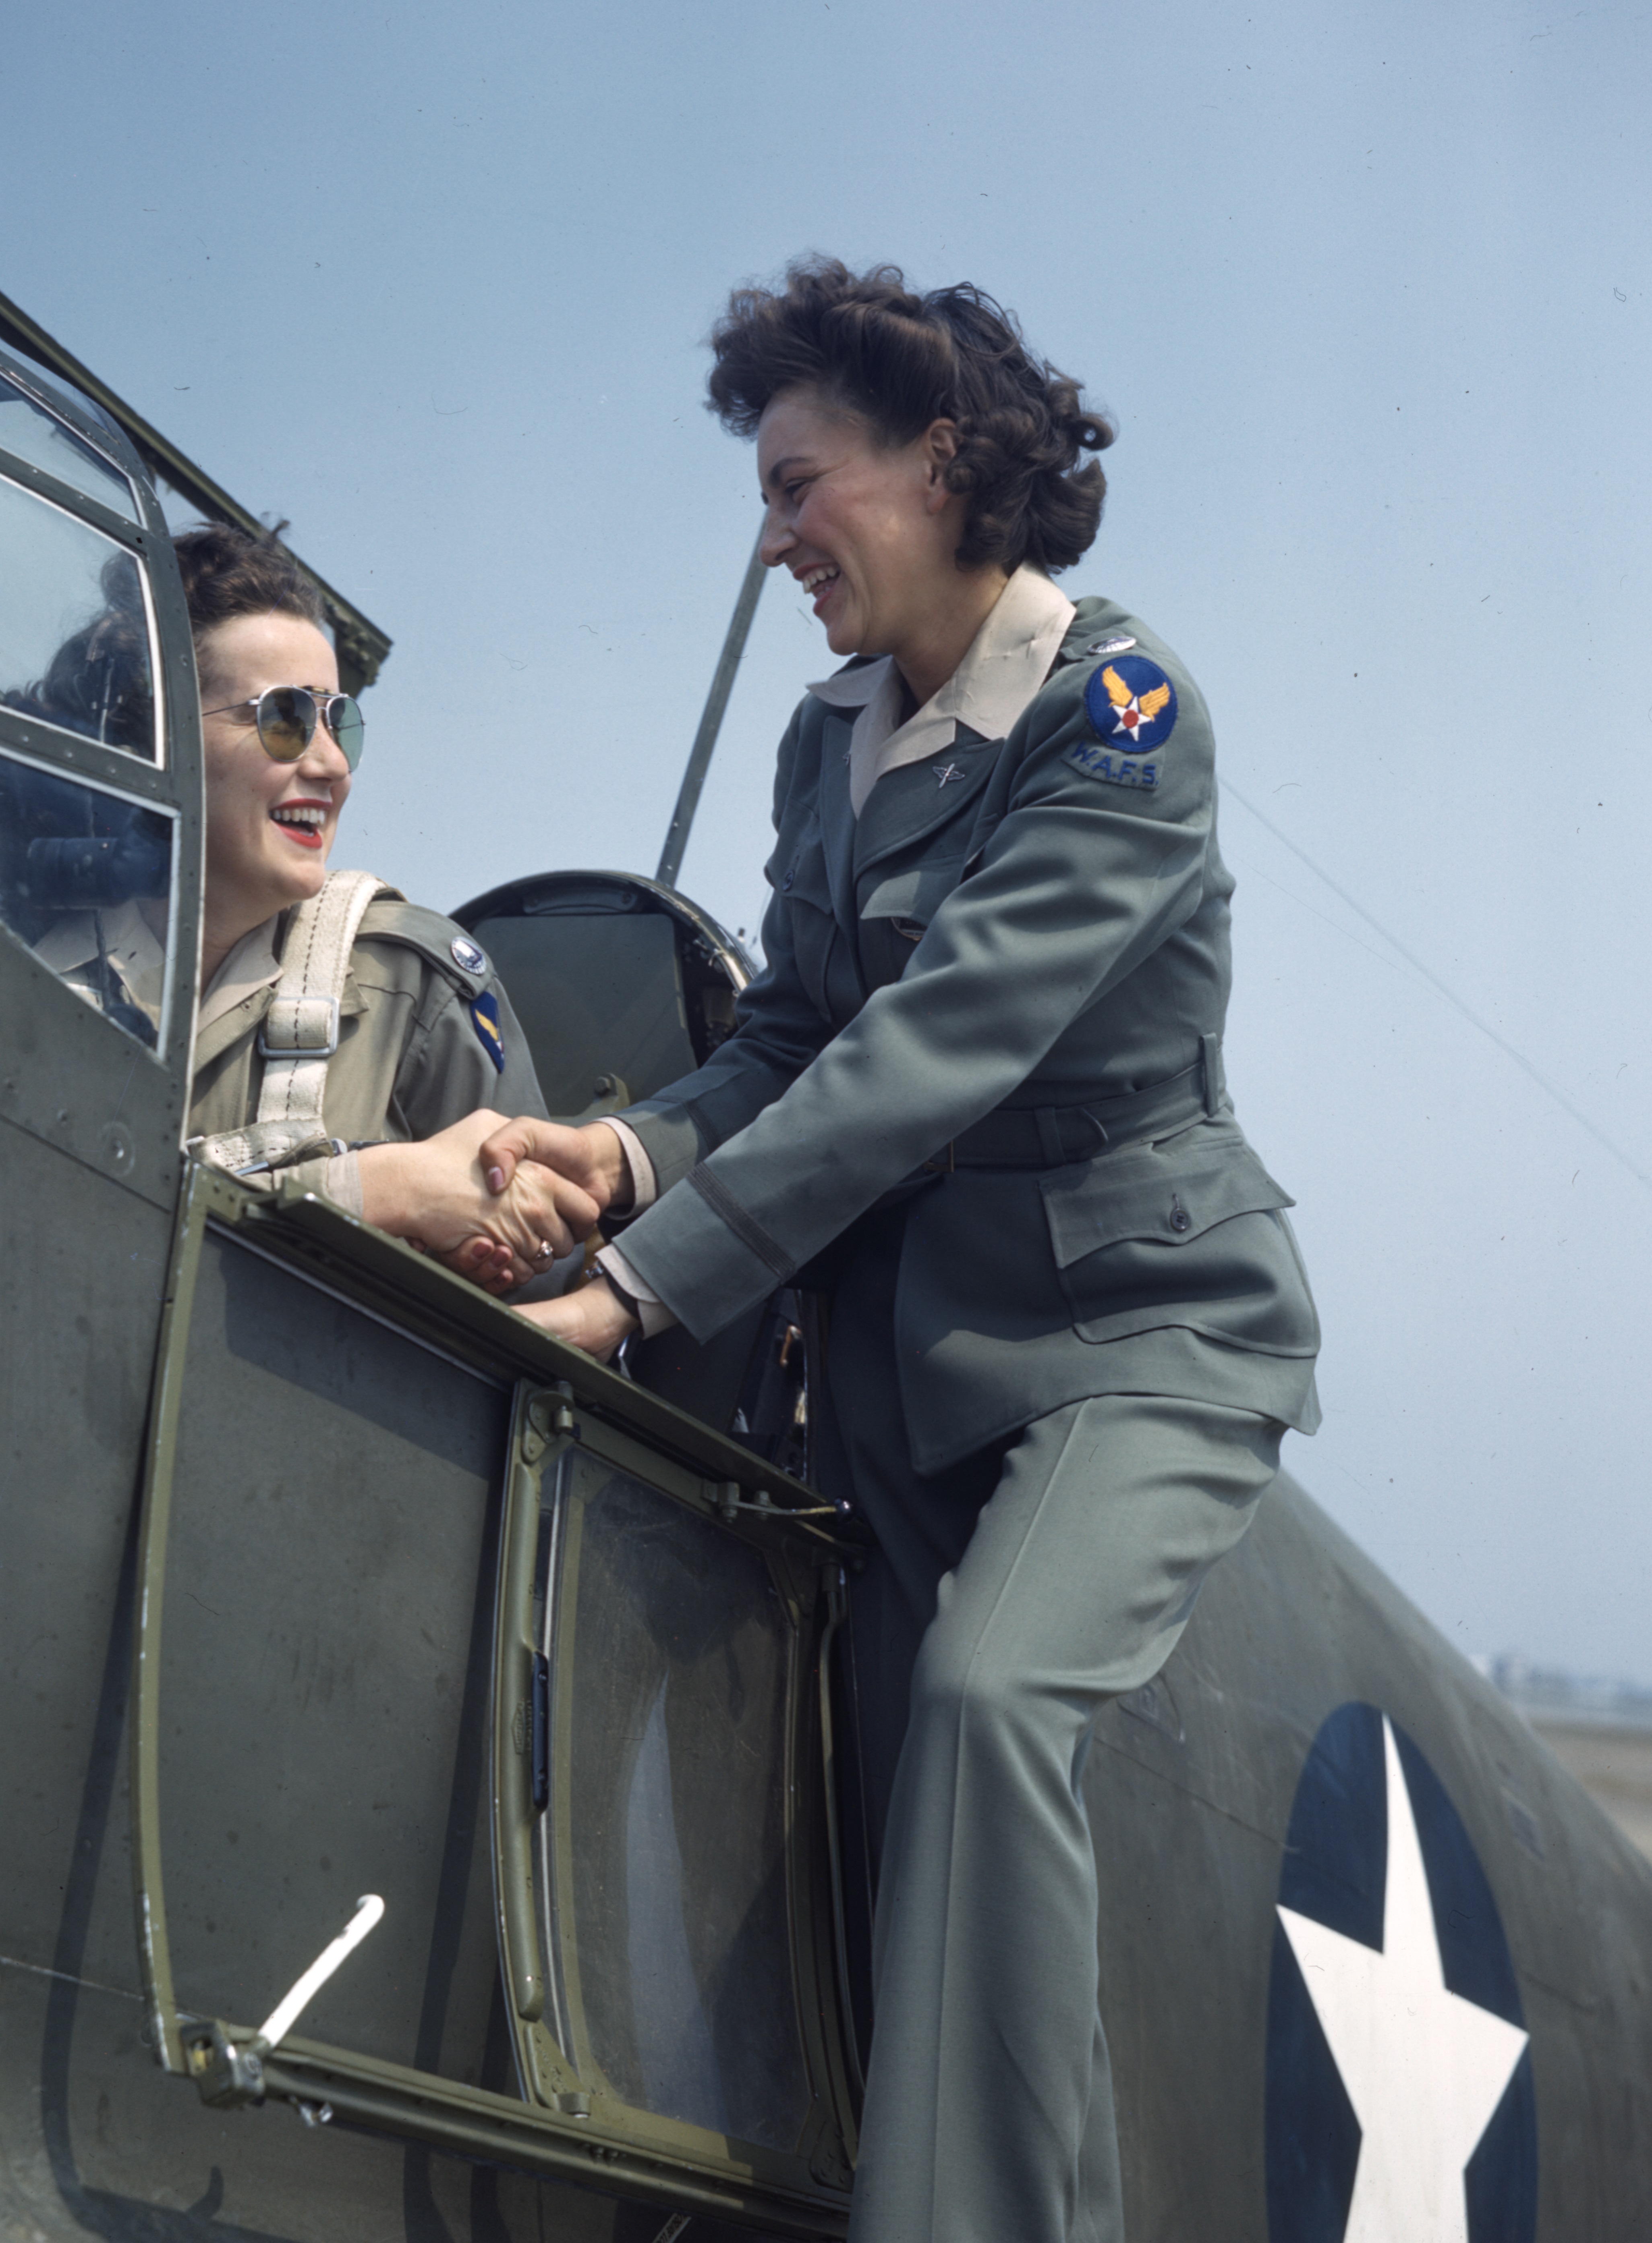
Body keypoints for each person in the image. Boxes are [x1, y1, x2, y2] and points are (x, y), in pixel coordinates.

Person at [484, 261, 1322, 2243]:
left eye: (797, 485)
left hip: (1141, 1330)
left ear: (939, 461)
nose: (770, 537)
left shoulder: (1120, 711)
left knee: (988, 1700)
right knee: (877, 1805)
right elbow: (786, 1035)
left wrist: (643, 1281)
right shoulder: (827, 744)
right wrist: (609, 1150)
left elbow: (933, 1047)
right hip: (908, 1357)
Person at [12, 523, 590, 1278]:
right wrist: (374, 1190)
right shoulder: (15, 967)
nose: (330, 764)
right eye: (284, 719)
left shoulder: (406, 988)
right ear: (155, 741)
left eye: (338, 722)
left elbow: (549, 1277)